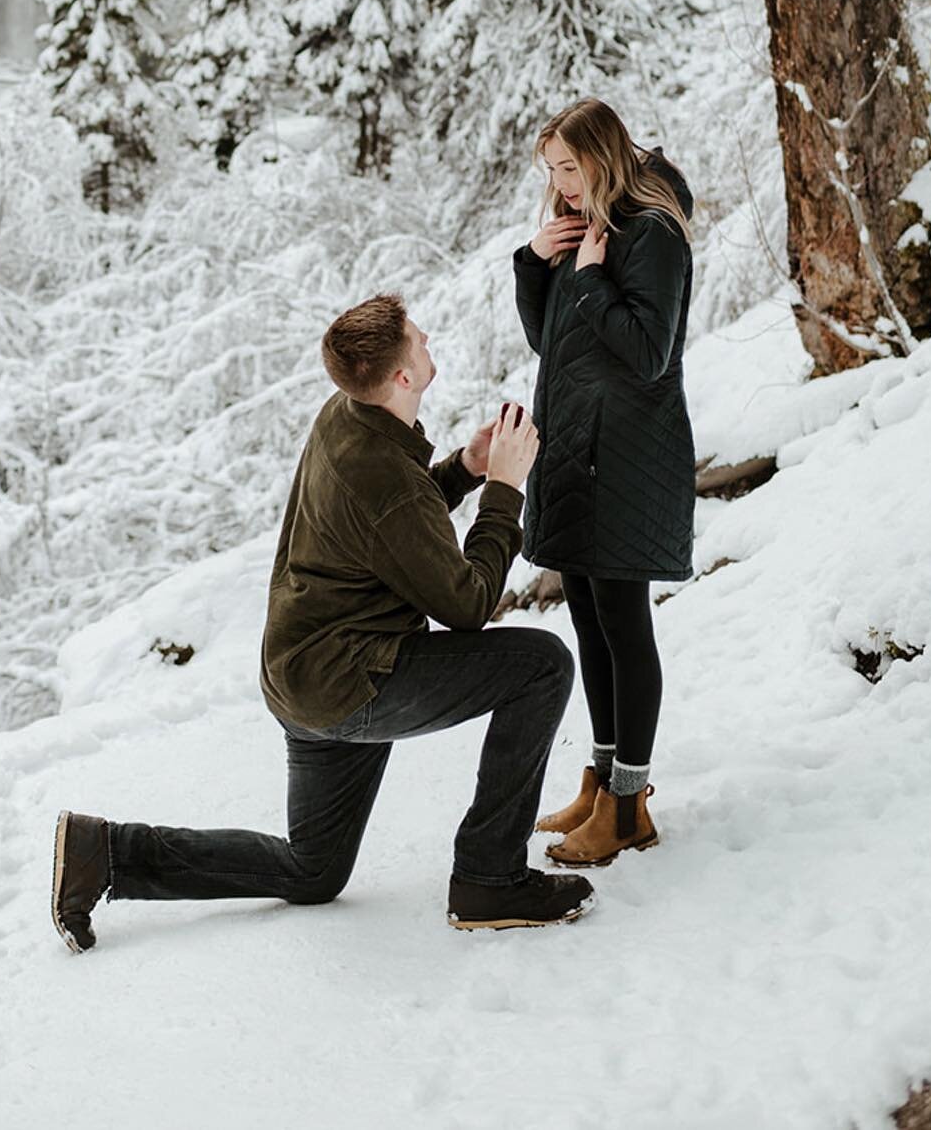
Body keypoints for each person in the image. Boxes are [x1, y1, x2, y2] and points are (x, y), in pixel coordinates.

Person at [51, 293, 595, 952]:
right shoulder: (380, 473)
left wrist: (466, 468)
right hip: (350, 683)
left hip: (301, 675)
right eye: (418, 340)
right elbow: (467, 603)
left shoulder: (346, 415)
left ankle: (104, 852)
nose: (428, 342)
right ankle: (489, 877)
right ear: (401, 376)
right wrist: (507, 487)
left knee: (314, 869)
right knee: (542, 664)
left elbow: (392, 526)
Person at [513, 98, 695, 867]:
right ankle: (602, 778)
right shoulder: (586, 229)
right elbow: (548, 342)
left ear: (601, 156)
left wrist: (589, 281)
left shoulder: (650, 233)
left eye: (567, 167)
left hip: (627, 457)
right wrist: (537, 261)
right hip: (578, 449)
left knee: (624, 623)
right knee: (587, 615)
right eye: (550, 171)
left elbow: (648, 350)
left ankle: (629, 805)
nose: (559, 184)